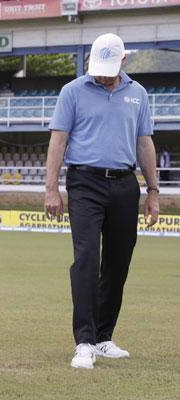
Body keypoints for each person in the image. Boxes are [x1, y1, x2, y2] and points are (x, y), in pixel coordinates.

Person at [45, 33, 160, 369]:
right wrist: (51, 189)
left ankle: (103, 337)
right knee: (85, 259)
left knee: (118, 262)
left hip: (125, 185)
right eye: (98, 69)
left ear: (123, 61)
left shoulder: (138, 94)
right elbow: (58, 141)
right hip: (84, 182)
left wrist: (153, 191)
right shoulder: (72, 92)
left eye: (109, 69)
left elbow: (144, 144)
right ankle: (83, 341)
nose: (103, 75)